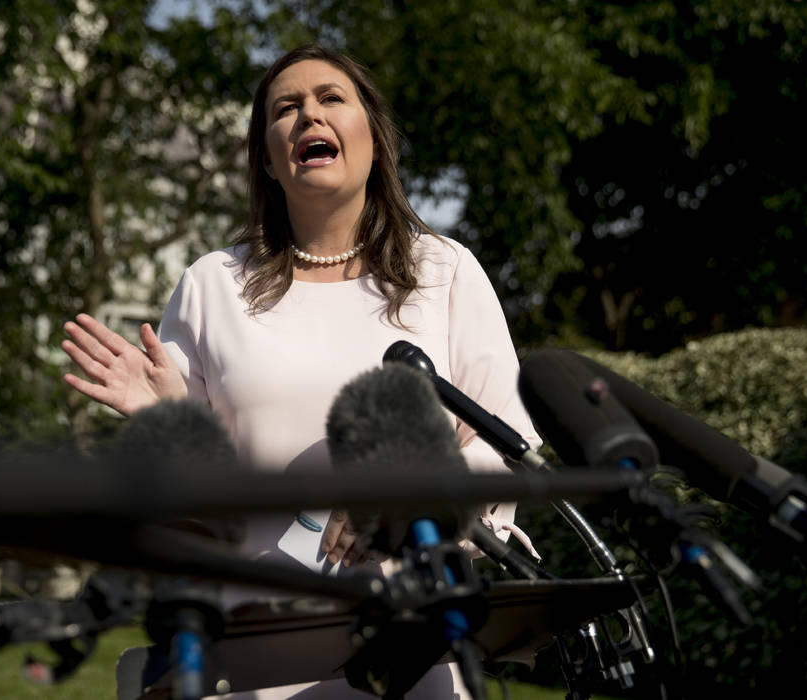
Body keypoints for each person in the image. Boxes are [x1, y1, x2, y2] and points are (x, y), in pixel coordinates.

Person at [62, 44, 540, 699]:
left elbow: (506, 440)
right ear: (267, 156)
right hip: (256, 648)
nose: (308, 116)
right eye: (286, 109)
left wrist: (412, 490)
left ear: (374, 137)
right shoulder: (212, 285)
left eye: (330, 100)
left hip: (415, 646)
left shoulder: (445, 269)